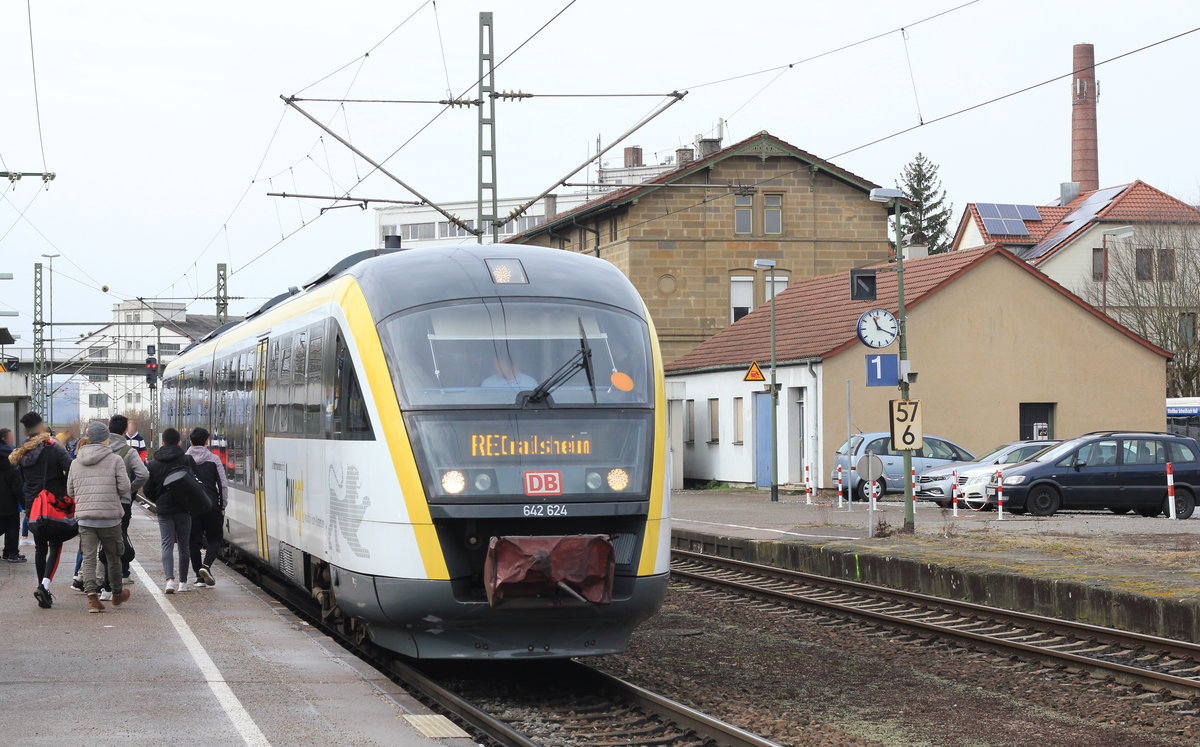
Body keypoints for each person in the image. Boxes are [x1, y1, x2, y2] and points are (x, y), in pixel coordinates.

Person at [9, 411, 73, 608]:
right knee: (56, 544)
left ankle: (41, 587)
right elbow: (71, 468)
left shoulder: (22, 452)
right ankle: (44, 587)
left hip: (33, 506)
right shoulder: (54, 448)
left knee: (40, 547)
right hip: (53, 504)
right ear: (41, 426)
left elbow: (21, 480)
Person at [66, 421, 131, 612]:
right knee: (113, 556)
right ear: (106, 438)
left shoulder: (75, 462)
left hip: (85, 518)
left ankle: (92, 598)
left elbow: (70, 492)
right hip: (110, 516)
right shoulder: (115, 459)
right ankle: (117, 594)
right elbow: (125, 488)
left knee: (89, 558)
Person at [143, 428, 193, 593]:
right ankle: (183, 583)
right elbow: (195, 485)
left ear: (162, 442)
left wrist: (158, 500)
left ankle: (169, 580)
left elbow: (147, 489)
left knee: (166, 544)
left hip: (164, 509)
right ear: (179, 442)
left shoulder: (153, 463)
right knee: (184, 545)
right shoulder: (186, 460)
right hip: (184, 508)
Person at [185, 427, 226, 588]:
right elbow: (222, 485)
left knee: (193, 542)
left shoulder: (184, 459)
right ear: (207, 441)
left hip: (192, 506)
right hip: (211, 505)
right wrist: (222, 505)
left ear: (190, 441)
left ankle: (199, 577)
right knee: (215, 538)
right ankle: (206, 566)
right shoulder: (214, 460)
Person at [0, 435, 25, 563]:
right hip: (10, 504)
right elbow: (18, 490)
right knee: (13, 528)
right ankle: (11, 553)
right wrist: (25, 504)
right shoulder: (13, 470)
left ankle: (7, 553)